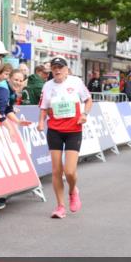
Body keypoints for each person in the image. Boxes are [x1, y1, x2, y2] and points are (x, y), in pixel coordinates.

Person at [37, 56, 93, 219]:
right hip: (54, 130)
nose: (57, 70)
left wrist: (84, 114)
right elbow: (44, 107)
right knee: (56, 170)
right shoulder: (47, 86)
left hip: (73, 130)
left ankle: (73, 190)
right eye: (54, 67)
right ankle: (60, 206)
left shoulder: (75, 82)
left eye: (60, 67)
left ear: (67, 69)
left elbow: (89, 100)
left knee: (69, 171)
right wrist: (41, 122)